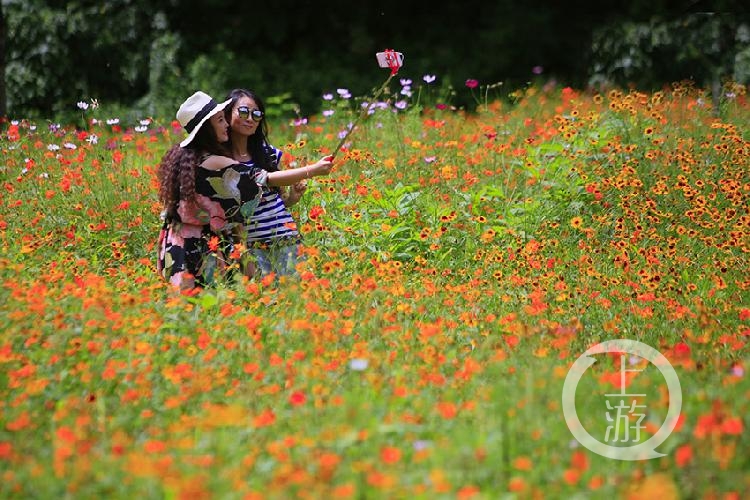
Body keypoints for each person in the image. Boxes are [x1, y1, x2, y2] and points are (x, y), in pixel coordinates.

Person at [204, 88, 334, 278]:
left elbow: (277, 199)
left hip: (286, 239)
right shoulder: (220, 160)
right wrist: (312, 170)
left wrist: (292, 198)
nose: (250, 118)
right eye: (243, 112)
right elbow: (263, 181)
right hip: (252, 247)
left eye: (256, 115)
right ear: (227, 114)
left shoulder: (269, 153)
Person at [156, 90, 264, 291]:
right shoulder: (215, 162)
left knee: (188, 309)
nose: (227, 125)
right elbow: (258, 179)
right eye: (221, 120)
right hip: (206, 247)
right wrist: (312, 170)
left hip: (177, 243)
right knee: (213, 306)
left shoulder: (183, 158)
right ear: (207, 129)